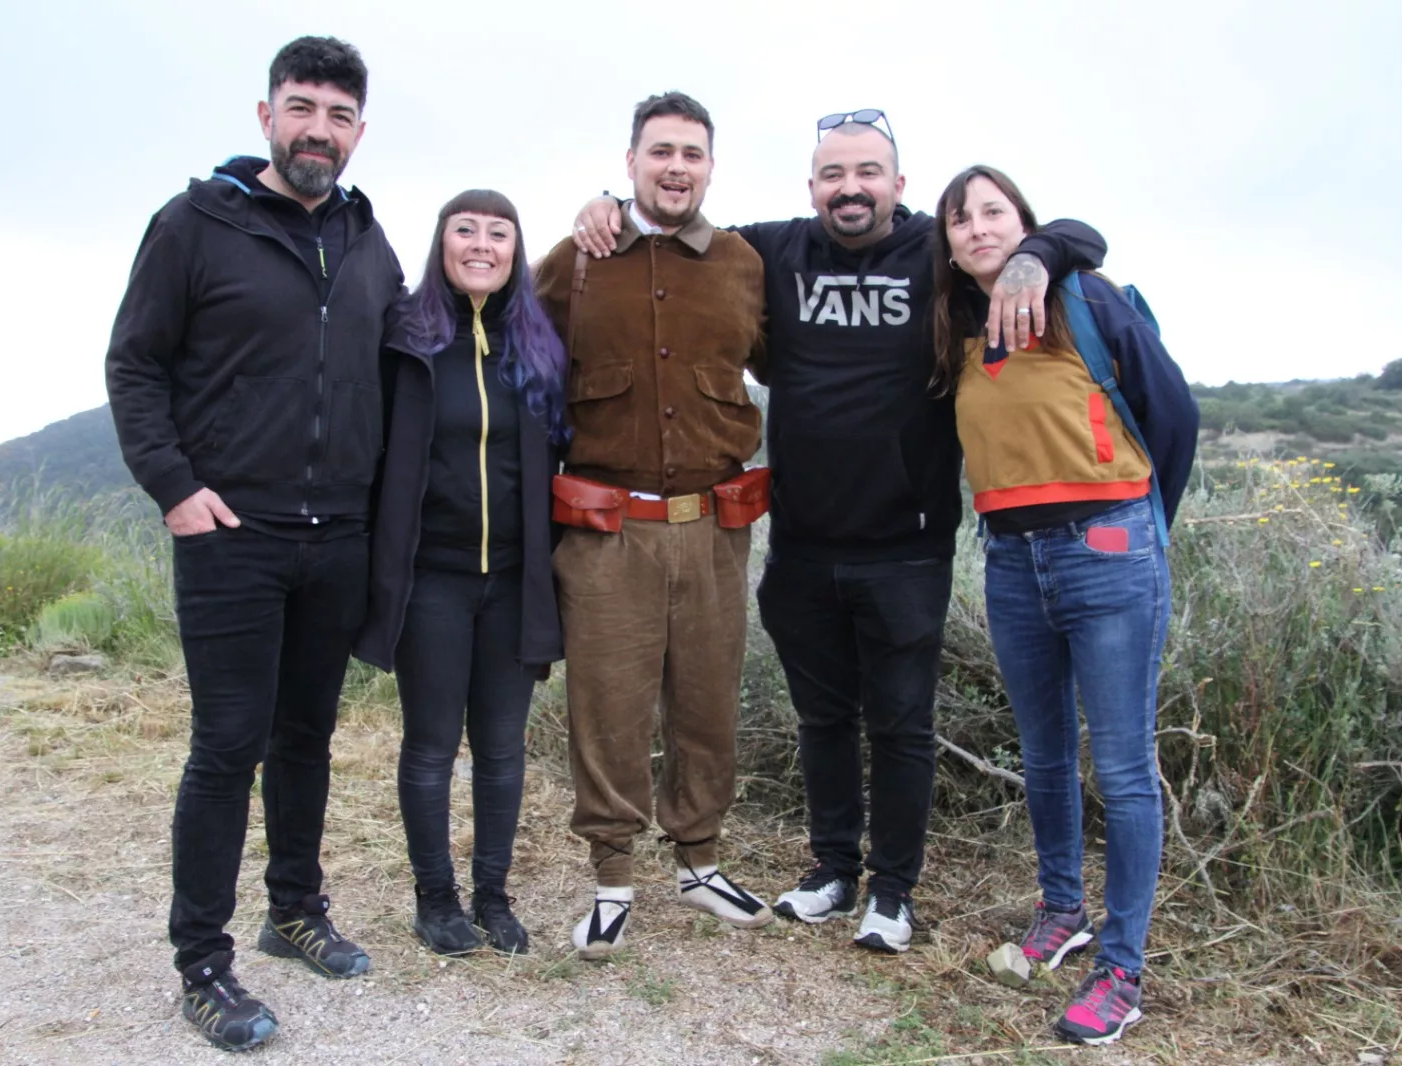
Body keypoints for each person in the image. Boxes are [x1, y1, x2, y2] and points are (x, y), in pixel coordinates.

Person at [572, 112, 1105, 954]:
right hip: (804, 544)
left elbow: (1078, 234)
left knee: (900, 724)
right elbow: (670, 226)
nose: (849, 188)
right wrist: (606, 204)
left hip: (907, 544)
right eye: (832, 174)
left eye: (868, 172)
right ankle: (829, 870)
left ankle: (893, 891)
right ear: (811, 186)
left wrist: (1037, 255)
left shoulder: (936, 249)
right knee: (823, 721)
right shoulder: (775, 252)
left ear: (899, 182)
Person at [105, 36, 404, 1052]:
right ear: (266, 114)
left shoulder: (369, 243)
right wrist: (175, 487)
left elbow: (419, 353)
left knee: (306, 739)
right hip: (231, 534)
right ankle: (201, 962)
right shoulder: (194, 225)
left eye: (338, 113)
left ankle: (293, 910)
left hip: (338, 540)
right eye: (301, 106)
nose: (318, 127)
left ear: (360, 131)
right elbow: (134, 365)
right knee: (228, 746)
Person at [931, 164, 1198, 1045]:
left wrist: (1141, 521)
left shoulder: (1084, 297)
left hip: (1109, 549)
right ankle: (1062, 911)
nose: (977, 228)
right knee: (1044, 755)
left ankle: (1121, 969)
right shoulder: (956, 329)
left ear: (1024, 224)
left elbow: (1173, 415)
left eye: (994, 213)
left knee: (1122, 769)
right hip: (1010, 557)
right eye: (960, 218)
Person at [535, 91, 775, 960]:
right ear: (631, 160)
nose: (677, 167)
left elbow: (791, 363)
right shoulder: (577, 260)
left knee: (708, 700)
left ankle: (701, 861)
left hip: (714, 529)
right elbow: (523, 371)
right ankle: (611, 878)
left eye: (693, 154)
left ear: (711, 166)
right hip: (607, 534)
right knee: (607, 707)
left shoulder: (745, 264)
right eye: (661, 152)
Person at [354, 190, 568, 959]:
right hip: (432, 580)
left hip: (514, 582)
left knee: (504, 748)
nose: (482, 244)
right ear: (442, 245)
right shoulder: (407, 340)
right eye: (466, 230)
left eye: (499, 233)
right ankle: (435, 899)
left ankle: (494, 896)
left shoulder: (536, 348)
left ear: (517, 250)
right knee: (433, 745)